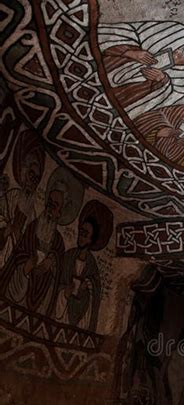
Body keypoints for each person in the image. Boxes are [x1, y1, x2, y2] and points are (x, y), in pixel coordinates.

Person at [0, 167, 83, 316]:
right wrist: (25, 267)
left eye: (55, 205)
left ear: (61, 211)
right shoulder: (32, 227)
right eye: (49, 202)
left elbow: (58, 277)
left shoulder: (58, 242)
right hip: (20, 283)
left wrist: (52, 263)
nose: (50, 208)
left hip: (42, 295)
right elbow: (17, 254)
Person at [56, 200, 113, 331]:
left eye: (85, 234)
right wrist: (64, 293)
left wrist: (86, 287)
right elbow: (55, 284)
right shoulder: (68, 256)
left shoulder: (92, 267)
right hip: (60, 311)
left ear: (92, 239)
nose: (81, 237)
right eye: (81, 232)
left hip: (79, 317)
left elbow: (95, 297)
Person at [0, 130, 45, 266]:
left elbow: (29, 249)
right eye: (31, 173)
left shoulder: (33, 215)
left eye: (36, 178)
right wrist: (5, 230)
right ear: (24, 171)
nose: (33, 180)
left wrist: (18, 236)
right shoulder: (11, 195)